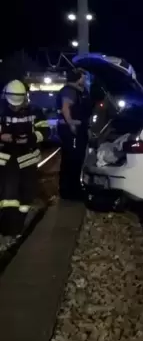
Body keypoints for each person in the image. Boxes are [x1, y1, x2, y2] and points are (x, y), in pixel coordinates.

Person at [0, 80, 50, 235]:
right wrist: (2, 136)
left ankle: (18, 225)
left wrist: (29, 138)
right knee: (9, 196)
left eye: (18, 103)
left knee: (27, 195)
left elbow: (45, 131)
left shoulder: (35, 111)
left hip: (28, 158)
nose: (15, 107)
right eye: (12, 104)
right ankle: (8, 227)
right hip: (6, 160)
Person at [57, 69, 90, 200]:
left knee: (75, 159)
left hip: (77, 129)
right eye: (83, 77)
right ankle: (69, 191)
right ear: (78, 78)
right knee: (72, 160)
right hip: (72, 131)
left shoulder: (79, 91)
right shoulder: (70, 90)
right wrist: (71, 124)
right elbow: (66, 108)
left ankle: (73, 188)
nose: (85, 80)